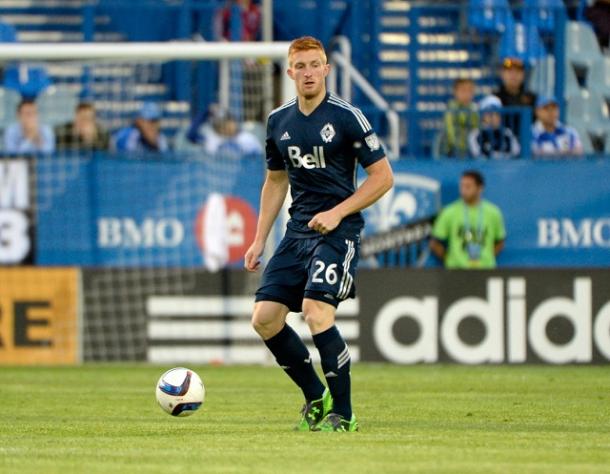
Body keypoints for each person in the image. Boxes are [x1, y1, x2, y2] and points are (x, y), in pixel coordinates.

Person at [244, 36, 393, 432]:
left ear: (327, 69)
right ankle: (316, 396)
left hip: (338, 230)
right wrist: (260, 238)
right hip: (297, 231)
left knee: (315, 312)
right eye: (301, 66)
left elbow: (383, 177)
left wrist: (339, 211)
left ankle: (343, 414)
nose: (308, 72)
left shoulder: (348, 117)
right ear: (290, 72)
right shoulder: (278, 121)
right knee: (264, 319)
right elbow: (275, 181)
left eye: (316, 65)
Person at [430, 170, 505, 269]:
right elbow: (435, 243)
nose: (463, 190)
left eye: (468, 187)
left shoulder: (493, 212)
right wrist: (450, 260)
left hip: (485, 270)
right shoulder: (449, 212)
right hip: (457, 271)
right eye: (462, 186)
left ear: (480, 188)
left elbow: (500, 241)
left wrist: (487, 258)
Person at [187, 104, 263, 156]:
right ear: (216, 129)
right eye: (220, 125)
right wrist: (206, 112)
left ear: (233, 121)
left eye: (227, 122)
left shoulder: (248, 139)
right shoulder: (212, 139)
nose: (225, 127)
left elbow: (257, 162)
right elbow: (191, 135)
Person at [468, 95, 520, 159]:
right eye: (489, 114)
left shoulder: (507, 133)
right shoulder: (475, 134)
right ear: (482, 116)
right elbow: (477, 154)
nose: (493, 117)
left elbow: (515, 152)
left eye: (497, 114)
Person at [494, 57, 536, 135]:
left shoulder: (532, 98)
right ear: (502, 74)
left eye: (518, 71)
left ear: (523, 74)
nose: (513, 75)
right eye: (509, 71)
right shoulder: (494, 98)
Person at [439, 78, 479, 158]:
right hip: (452, 150)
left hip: (471, 149)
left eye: (470, 91)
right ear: (455, 92)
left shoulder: (475, 109)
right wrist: (458, 146)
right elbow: (450, 131)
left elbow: (477, 128)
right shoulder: (451, 109)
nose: (466, 94)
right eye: (463, 91)